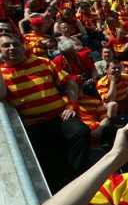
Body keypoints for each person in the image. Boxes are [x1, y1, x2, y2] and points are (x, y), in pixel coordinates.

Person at [0, 33, 91, 193]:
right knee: (51, 168)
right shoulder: (2, 74)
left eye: (15, 44)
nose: (12, 48)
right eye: (6, 46)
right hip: (34, 128)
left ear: (22, 46)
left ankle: (76, 182)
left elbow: (70, 81)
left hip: (59, 117)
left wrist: (71, 105)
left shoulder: (41, 62)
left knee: (80, 132)